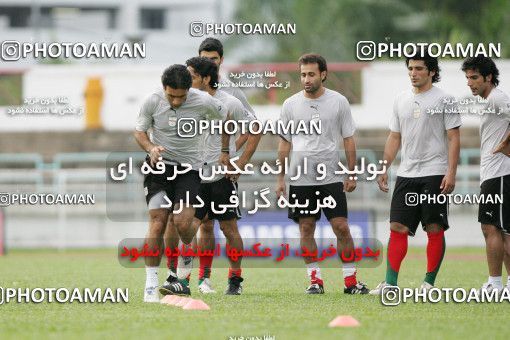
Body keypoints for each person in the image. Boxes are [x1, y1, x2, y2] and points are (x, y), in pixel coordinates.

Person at [159, 57, 261, 296]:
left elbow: (255, 129)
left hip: (221, 178)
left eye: (192, 76)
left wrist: (240, 161)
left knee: (229, 229)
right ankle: (183, 280)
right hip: (192, 175)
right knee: (186, 226)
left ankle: (235, 279)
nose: (187, 80)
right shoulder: (185, 101)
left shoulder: (230, 102)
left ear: (206, 78)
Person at [276, 53, 369, 294]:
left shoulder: (338, 102)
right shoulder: (290, 105)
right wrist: (280, 178)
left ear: (323, 74)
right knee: (306, 228)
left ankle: (351, 282)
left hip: (331, 176)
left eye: (311, 74)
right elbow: (284, 143)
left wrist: (351, 173)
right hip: (301, 178)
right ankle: (314, 281)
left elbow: (348, 139)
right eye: (303, 74)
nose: (306, 79)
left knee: (341, 226)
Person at [134, 64, 229, 302]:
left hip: (189, 170)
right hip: (159, 168)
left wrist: (223, 151)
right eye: (171, 96)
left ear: (189, 90)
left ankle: (184, 261)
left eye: (181, 97)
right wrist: (151, 148)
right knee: (158, 222)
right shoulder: (152, 100)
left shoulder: (203, 101)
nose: (176, 102)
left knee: (183, 223)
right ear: (163, 87)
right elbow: (140, 131)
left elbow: (225, 118)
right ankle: (151, 284)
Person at [370, 51, 461, 294]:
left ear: (431, 71)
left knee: (433, 228)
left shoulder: (445, 100)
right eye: (410, 69)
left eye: (419, 68)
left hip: (435, 172)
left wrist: (451, 172)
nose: (413, 73)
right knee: (397, 227)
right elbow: (394, 136)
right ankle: (390, 284)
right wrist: (384, 167)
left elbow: (454, 138)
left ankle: (428, 284)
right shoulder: (401, 99)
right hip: (407, 173)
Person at [461, 57, 510, 293]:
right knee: (498, 229)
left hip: (500, 173)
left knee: (491, 228)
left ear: (488, 77)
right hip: (494, 173)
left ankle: (495, 283)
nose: (470, 83)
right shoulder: (491, 100)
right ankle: (504, 283)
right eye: (467, 78)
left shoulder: (498, 98)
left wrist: (505, 145)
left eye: (474, 78)